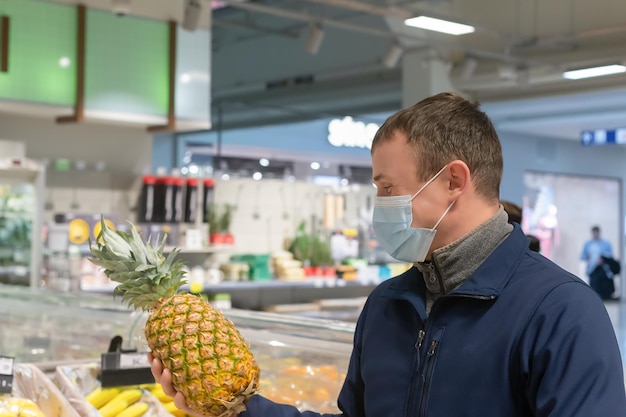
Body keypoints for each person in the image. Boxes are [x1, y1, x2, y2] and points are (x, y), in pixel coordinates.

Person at [150, 93, 626, 416]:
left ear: (453, 182)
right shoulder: (387, 305)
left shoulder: (562, 312)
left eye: (388, 188)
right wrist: (236, 410)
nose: (380, 207)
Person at [581, 225, 616, 299]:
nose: (595, 235)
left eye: (596, 233)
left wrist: (603, 259)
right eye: (594, 233)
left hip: (602, 269)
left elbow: (610, 256)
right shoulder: (588, 244)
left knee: (603, 287)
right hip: (592, 270)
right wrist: (587, 257)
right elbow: (582, 256)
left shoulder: (606, 243)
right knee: (594, 288)